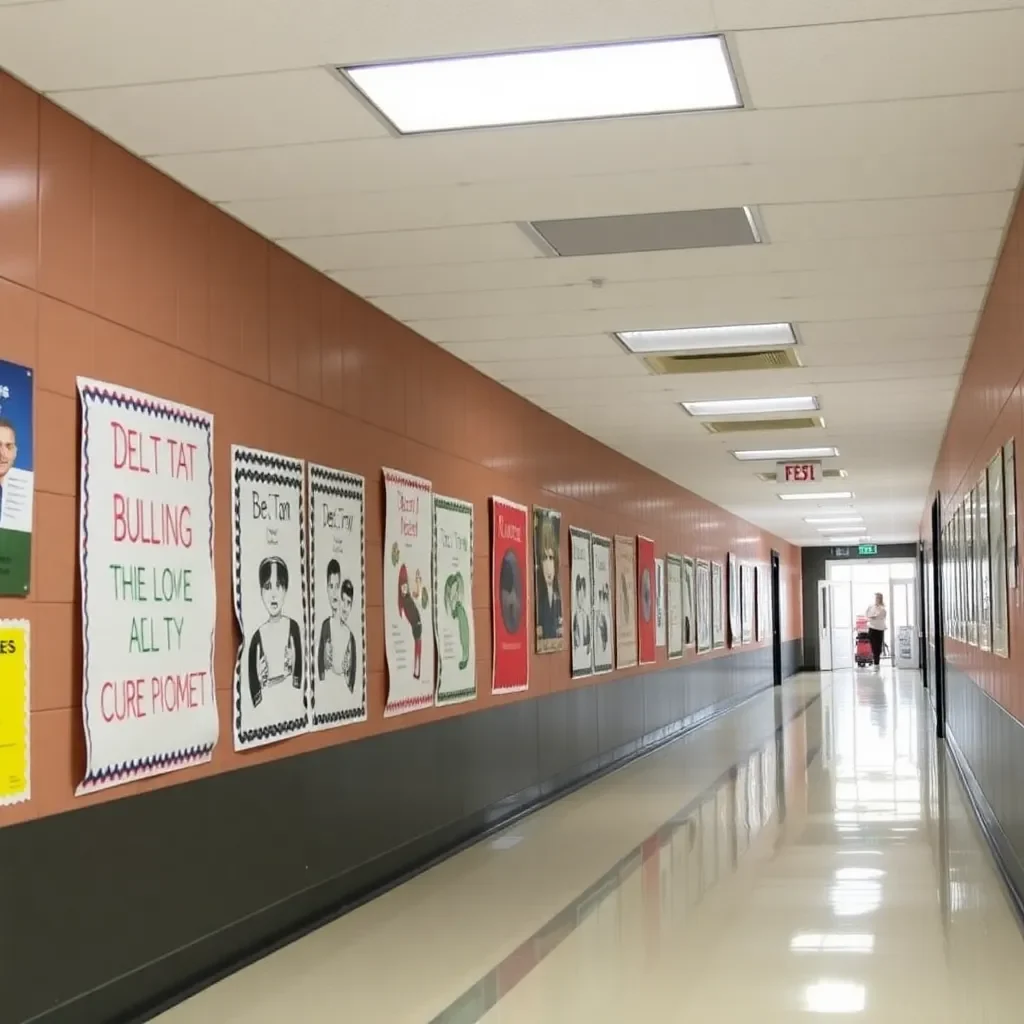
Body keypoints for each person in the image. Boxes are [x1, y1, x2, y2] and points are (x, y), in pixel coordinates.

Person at [248, 556, 304, 707]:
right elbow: (254, 692)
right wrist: (260, 681)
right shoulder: (257, 637)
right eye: (267, 586)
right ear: (261, 592)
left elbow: (299, 680)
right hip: (267, 708)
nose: (273, 594)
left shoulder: (293, 628)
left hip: (290, 705)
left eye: (278, 585)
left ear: (285, 590)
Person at [317, 559, 356, 693]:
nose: (334, 593)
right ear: (326, 588)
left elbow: (351, 680)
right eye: (331, 586)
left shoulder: (349, 635)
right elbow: (320, 670)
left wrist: (346, 670)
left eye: (337, 586)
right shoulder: (325, 626)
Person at [535, 516, 563, 643]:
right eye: (544, 558)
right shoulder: (538, 594)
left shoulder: (558, 593)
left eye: (551, 558)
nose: (548, 566)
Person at [398, 563, 422, 680]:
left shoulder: (408, 598)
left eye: (406, 586)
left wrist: (418, 581)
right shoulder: (402, 604)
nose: (405, 588)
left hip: (417, 625)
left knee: (418, 649)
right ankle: (416, 672)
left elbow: (417, 594)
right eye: (403, 587)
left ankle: (417, 672)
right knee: (416, 649)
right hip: (414, 626)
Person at [866, 592, 887, 668]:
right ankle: (875, 662)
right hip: (871, 628)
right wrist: (871, 616)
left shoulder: (882, 608)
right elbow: (868, 615)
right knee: (873, 647)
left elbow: (878, 616)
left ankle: (876, 664)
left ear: (880, 599)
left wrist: (872, 616)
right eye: (875, 598)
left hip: (879, 629)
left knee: (877, 647)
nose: (876, 599)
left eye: (878, 598)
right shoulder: (871, 606)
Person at [572, 573, 591, 654]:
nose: (582, 598)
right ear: (576, 594)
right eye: (580, 595)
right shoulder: (575, 616)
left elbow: (588, 635)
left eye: (584, 595)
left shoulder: (586, 615)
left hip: (584, 651)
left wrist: (588, 646)